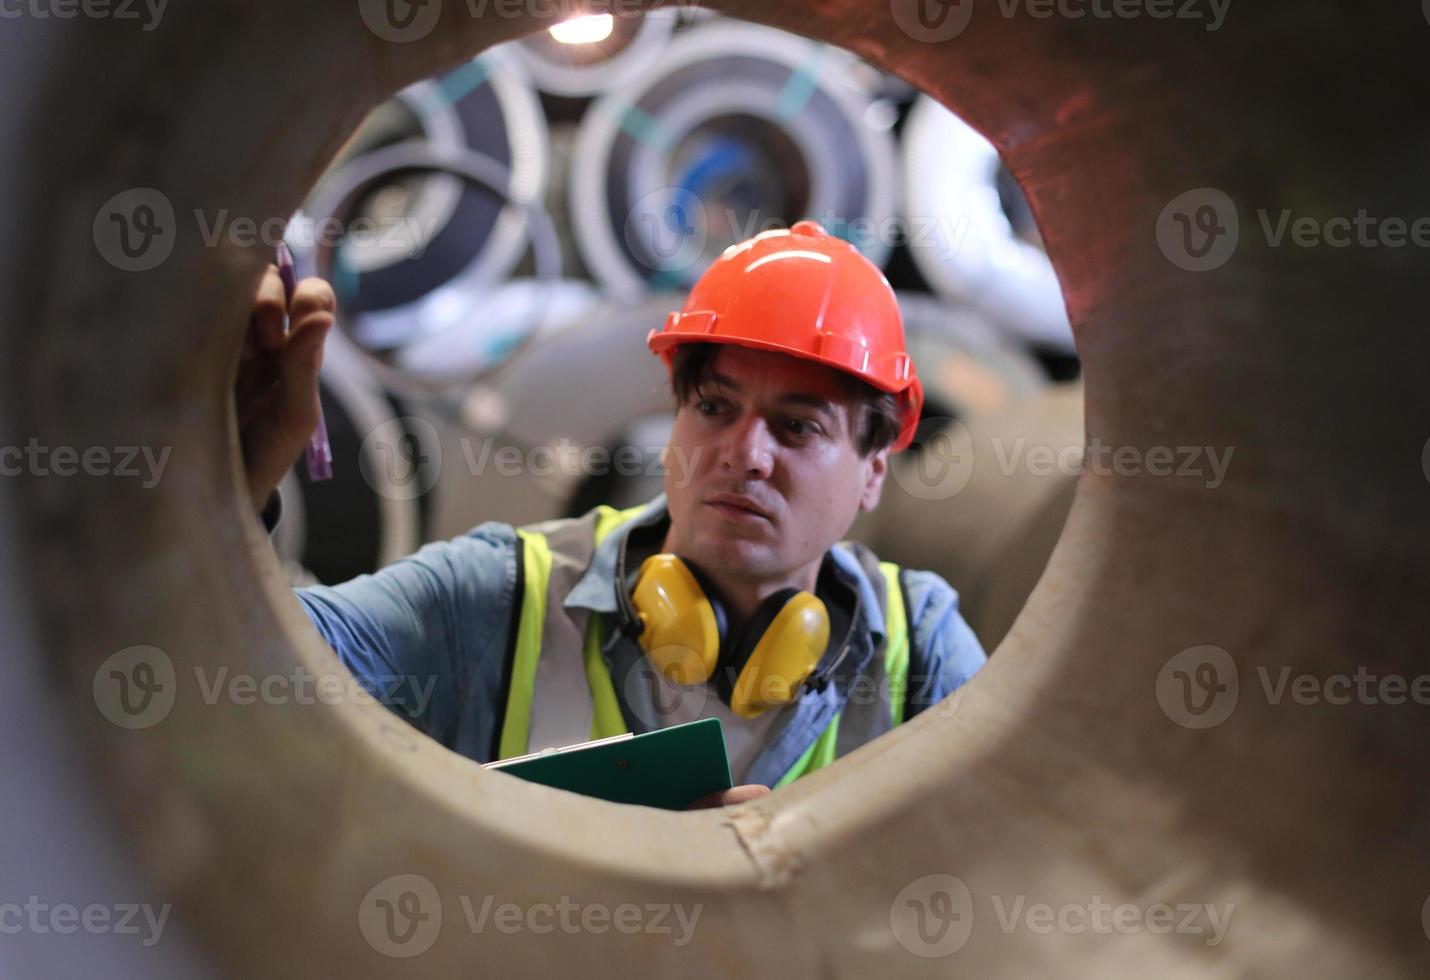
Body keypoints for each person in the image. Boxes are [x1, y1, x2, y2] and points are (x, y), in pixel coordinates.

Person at [239, 220, 986, 809]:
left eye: (797, 427)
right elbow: (249, 676)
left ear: (873, 472)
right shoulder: (497, 595)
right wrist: (232, 483)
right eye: (715, 408)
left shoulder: (919, 652)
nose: (744, 453)